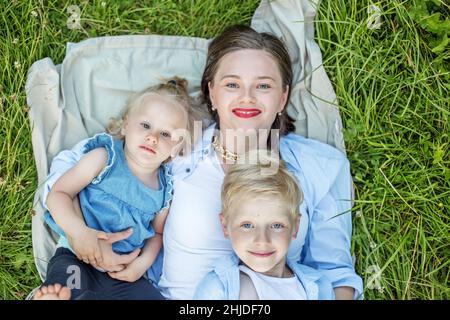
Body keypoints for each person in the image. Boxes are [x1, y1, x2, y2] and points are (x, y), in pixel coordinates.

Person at [41, 25, 363, 300]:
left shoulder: (319, 167)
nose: (247, 97)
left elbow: (335, 275)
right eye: (232, 84)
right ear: (211, 92)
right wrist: (80, 231)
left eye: (263, 85)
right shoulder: (179, 142)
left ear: (282, 97)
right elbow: (76, 168)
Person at [34, 78, 194, 300]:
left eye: (165, 134)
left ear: (177, 146)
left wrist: (141, 264)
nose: (152, 137)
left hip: (123, 273)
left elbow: (157, 233)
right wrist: (80, 233)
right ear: (126, 124)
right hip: (77, 257)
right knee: (68, 288)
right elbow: (59, 194)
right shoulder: (104, 158)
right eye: (146, 125)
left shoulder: (165, 189)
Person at [194, 150, 335, 300]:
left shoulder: (319, 287)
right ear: (225, 226)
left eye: (276, 225)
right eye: (247, 225)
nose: (262, 240)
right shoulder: (217, 290)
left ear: (295, 227)